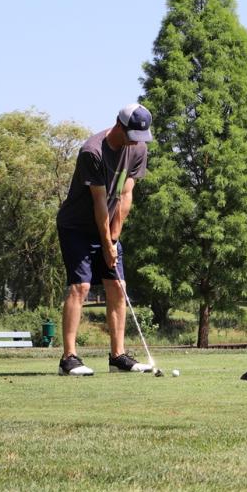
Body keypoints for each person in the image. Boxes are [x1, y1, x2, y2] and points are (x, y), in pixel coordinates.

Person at [55, 103, 153, 376]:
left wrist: (113, 238)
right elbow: (99, 202)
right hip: (76, 227)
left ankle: (118, 356)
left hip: (108, 226)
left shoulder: (138, 149)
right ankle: (69, 358)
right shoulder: (92, 152)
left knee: (117, 287)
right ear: (119, 125)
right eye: (132, 134)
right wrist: (107, 244)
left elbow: (125, 196)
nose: (136, 141)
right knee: (81, 287)